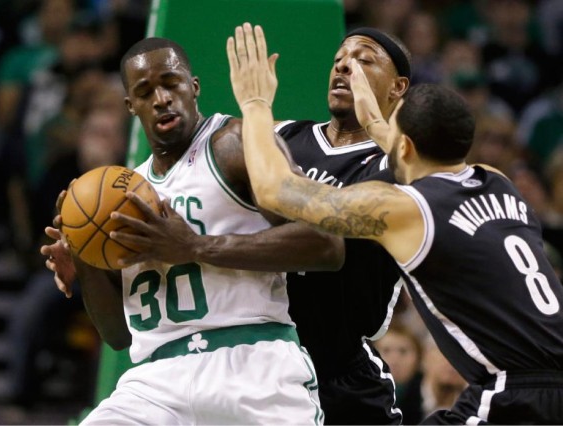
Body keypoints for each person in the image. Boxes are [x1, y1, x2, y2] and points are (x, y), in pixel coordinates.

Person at [228, 23, 563, 424]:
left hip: (514, 393)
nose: (345, 67)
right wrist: (376, 117)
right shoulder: (498, 181)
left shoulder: (407, 207)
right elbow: (418, 157)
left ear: (402, 146)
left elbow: (274, 191)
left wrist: (255, 103)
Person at [40, 36, 345, 424]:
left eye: (171, 83)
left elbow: (327, 244)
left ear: (194, 86)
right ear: (131, 105)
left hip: (253, 363)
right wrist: (86, 258)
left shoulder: (234, 144)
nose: (161, 99)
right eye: (145, 92)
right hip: (157, 380)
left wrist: (197, 246)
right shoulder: (120, 197)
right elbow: (117, 335)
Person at [273, 26, 410, 424]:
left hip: (339, 368)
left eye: (364, 60)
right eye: (338, 61)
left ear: (398, 87)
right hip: (264, 354)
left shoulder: (403, 164)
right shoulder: (284, 136)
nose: (344, 67)